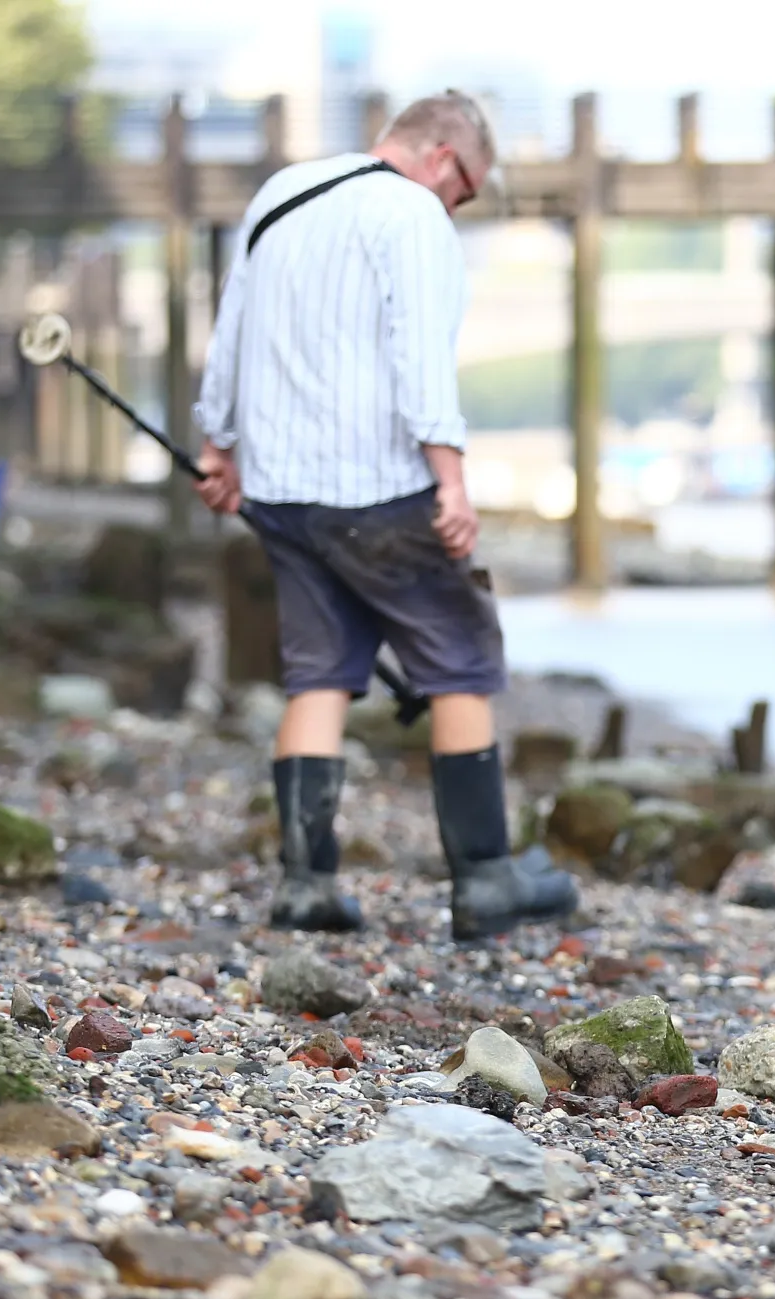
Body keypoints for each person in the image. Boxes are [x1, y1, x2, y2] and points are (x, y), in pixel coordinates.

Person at [191, 91, 577, 940]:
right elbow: (419, 355)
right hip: (378, 487)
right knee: (462, 661)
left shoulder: (280, 194)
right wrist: (451, 477)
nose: (460, 206)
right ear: (443, 156)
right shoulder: (411, 214)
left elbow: (231, 330)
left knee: (318, 673)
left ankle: (305, 883)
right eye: (467, 190)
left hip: (284, 492)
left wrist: (218, 446)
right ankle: (483, 879)